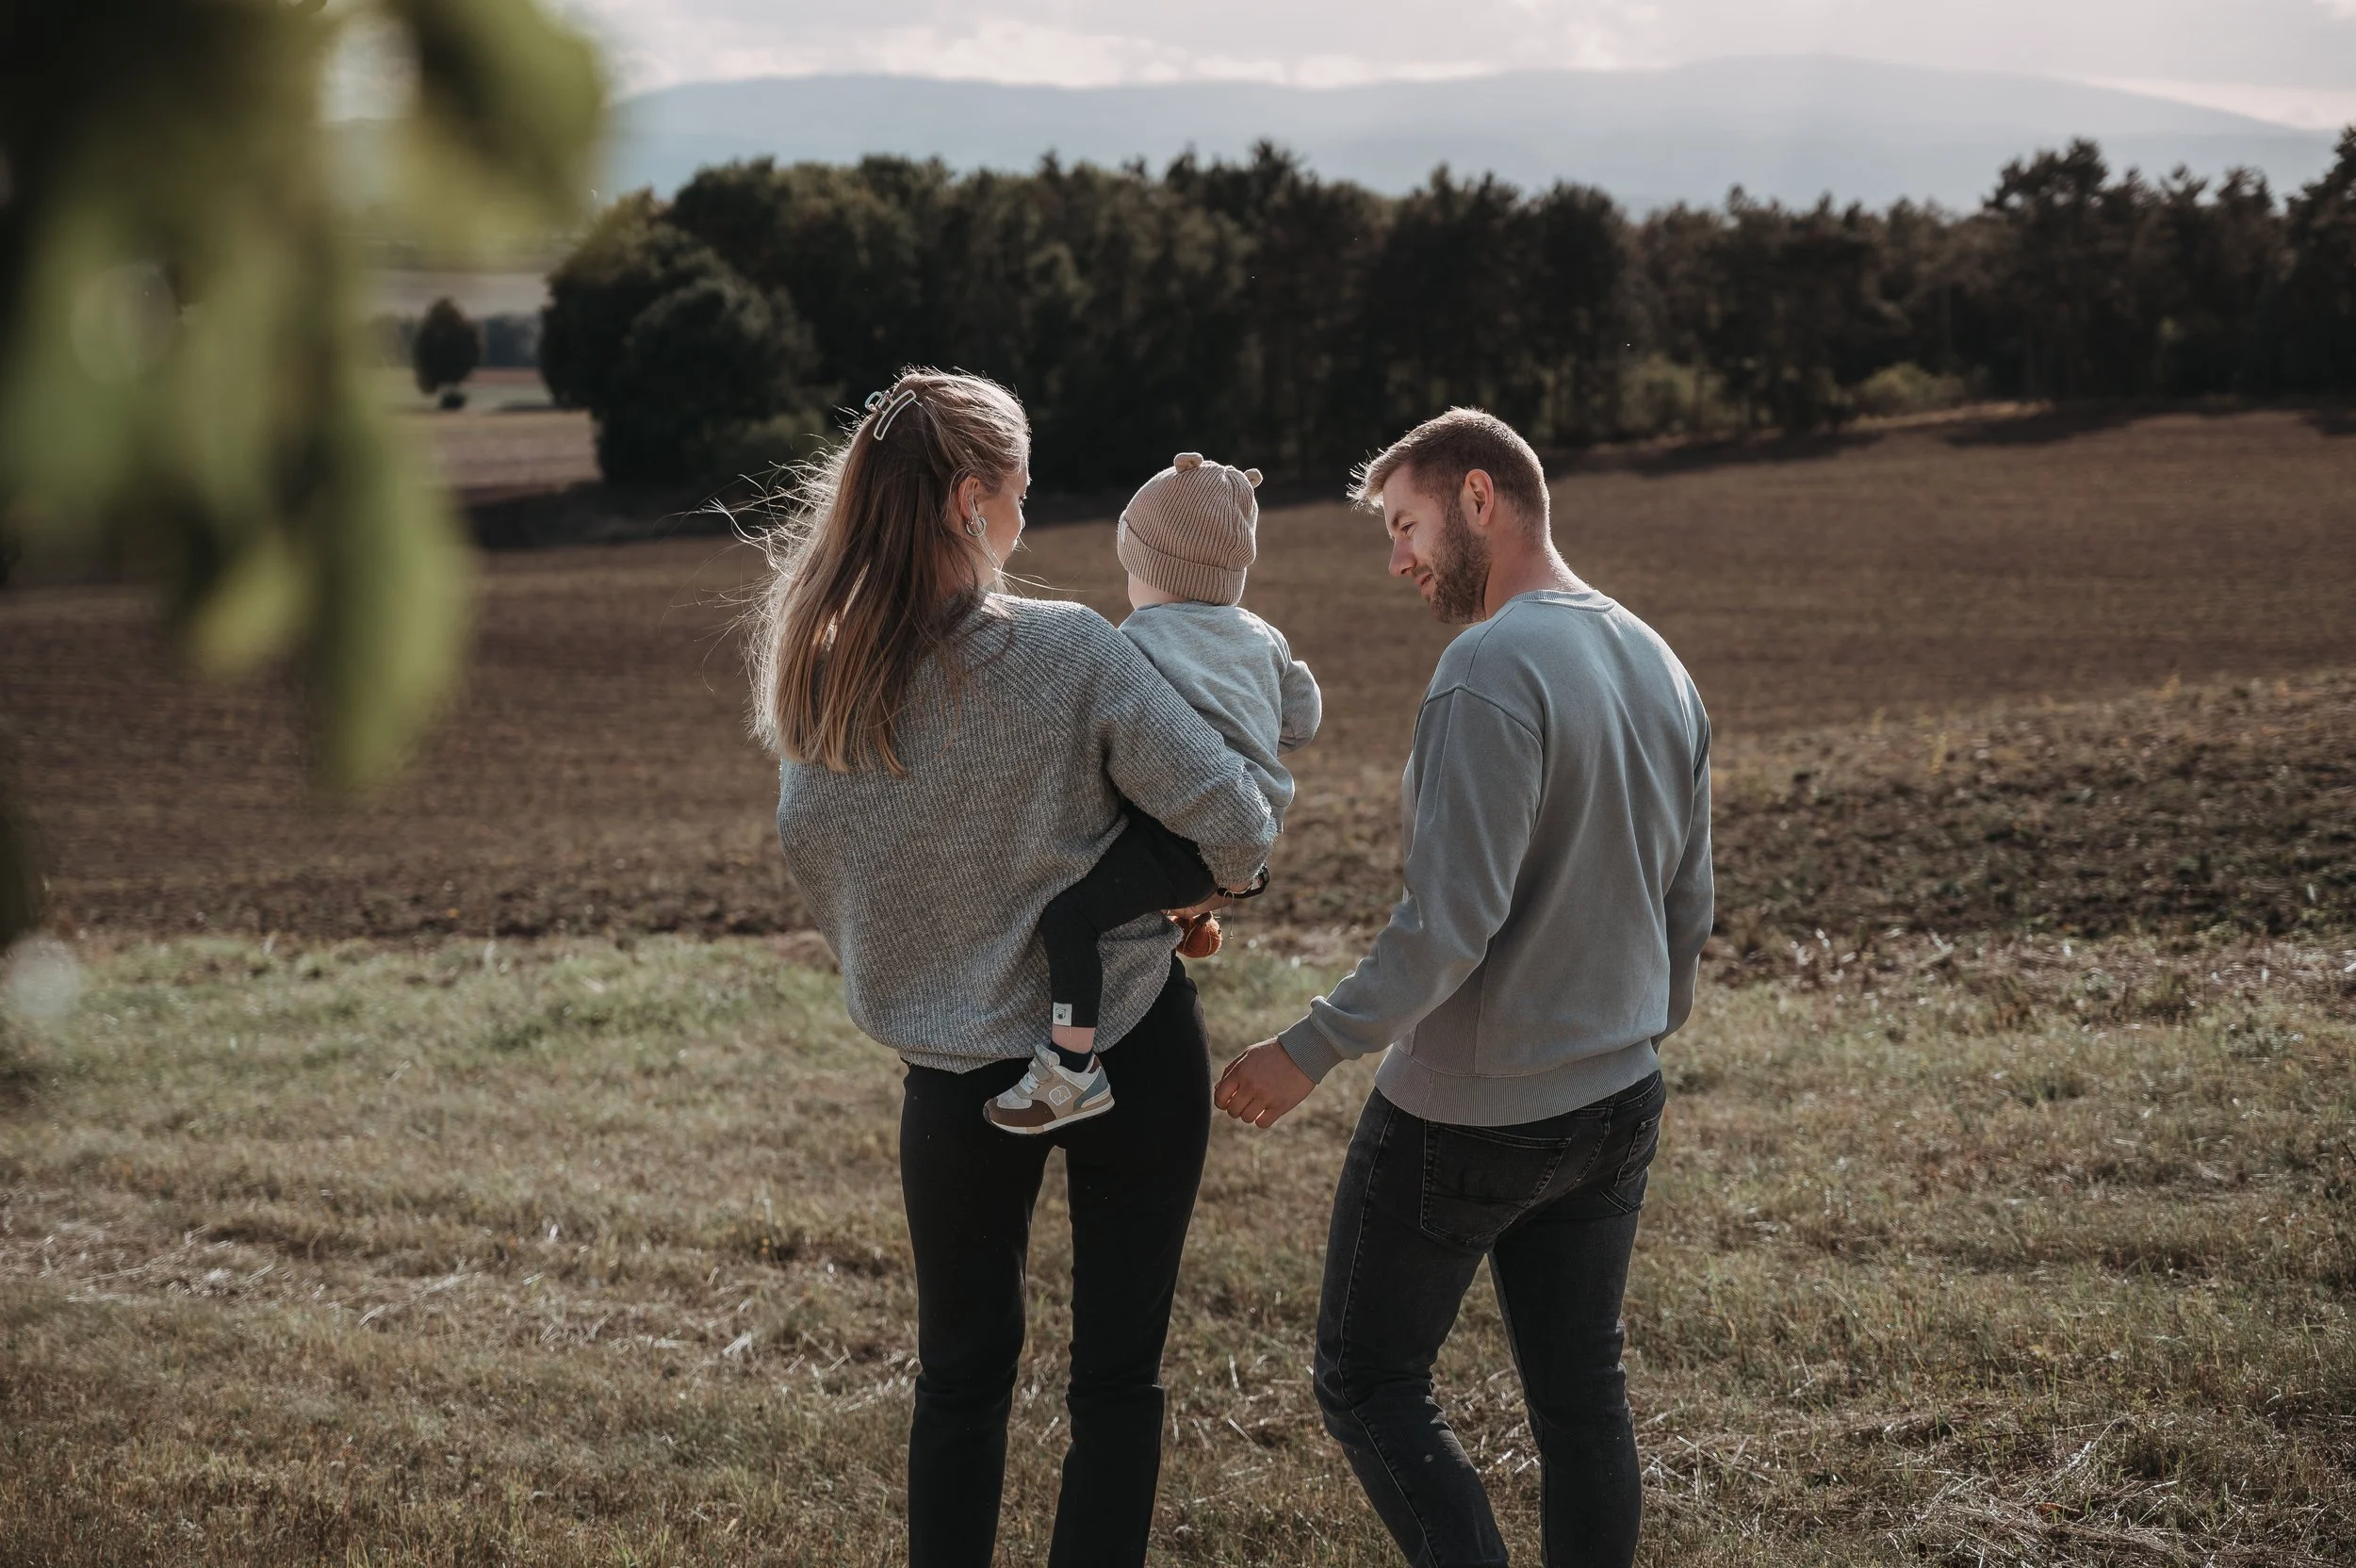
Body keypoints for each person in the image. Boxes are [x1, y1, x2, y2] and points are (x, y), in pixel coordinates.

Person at [754, 369, 1276, 1568]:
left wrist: (937, 963)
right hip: (1129, 1051)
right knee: (1116, 1381)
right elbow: (1239, 825)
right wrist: (1200, 886)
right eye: (1022, 493)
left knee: (958, 1380)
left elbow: (829, 877)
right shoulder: (1070, 653)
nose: (1028, 521)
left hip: (949, 1083)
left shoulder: (820, 680)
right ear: (967, 499)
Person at [1215, 408, 1714, 1568]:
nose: (1397, 558)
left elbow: (1448, 923)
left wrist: (1310, 1045)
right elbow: (1688, 905)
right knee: (1581, 1396)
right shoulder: (1657, 656)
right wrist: (1627, 1034)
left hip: (1470, 1116)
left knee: (1366, 1379)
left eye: (1406, 524)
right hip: (1619, 1100)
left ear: (1479, 498)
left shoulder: (1484, 668)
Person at [988, 450, 1323, 1133]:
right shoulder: (1263, 636)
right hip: (1250, 818)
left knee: (1069, 917)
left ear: (1154, 570)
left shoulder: (1138, 636)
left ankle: (1069, 1070)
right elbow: (1304, 718)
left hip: (1184, 830)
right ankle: (1192, 922)